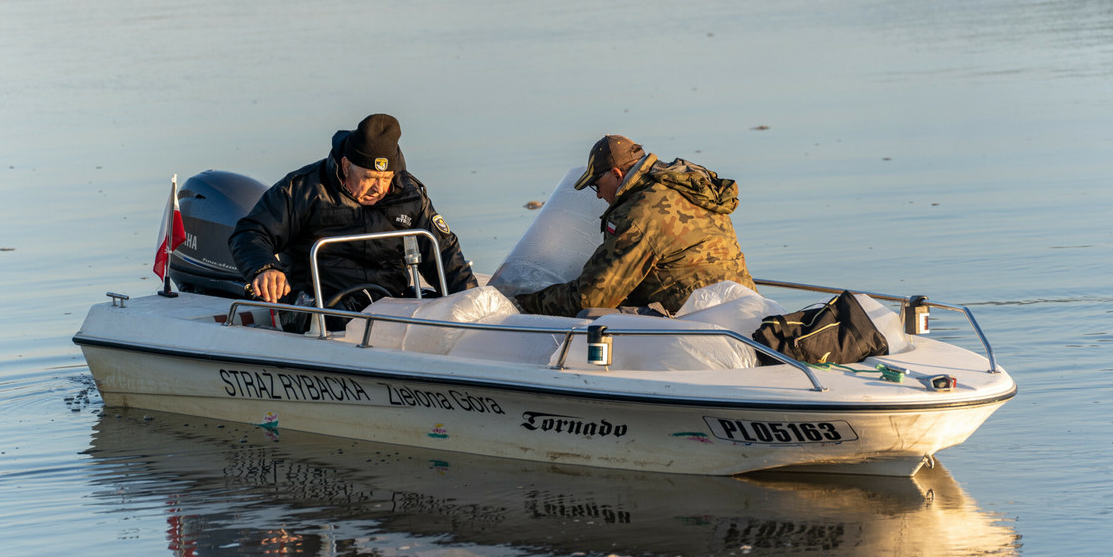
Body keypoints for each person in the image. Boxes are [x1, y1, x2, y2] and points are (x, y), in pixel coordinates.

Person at [229, 113, 477, 320]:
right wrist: (265, 268)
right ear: (346, 166)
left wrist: (473, 303)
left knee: (445, 312)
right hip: (319, 300)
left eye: (385, 178)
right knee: (340, 318)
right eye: (369, 177)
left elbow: (444, 254)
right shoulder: (304, 190)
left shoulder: (408, 196)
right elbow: (251, 233)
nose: (378, 188)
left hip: (387, 301)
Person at [513, 134, 754, 317]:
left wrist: (522, 302)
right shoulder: (685, 187)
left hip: (696, 322)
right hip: (746, 307)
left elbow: (591, 298)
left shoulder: (637, 214)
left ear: (617, 174)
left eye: (597, 185)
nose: (598, 196)